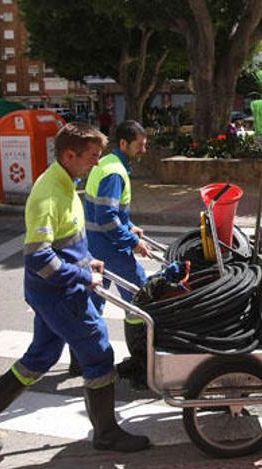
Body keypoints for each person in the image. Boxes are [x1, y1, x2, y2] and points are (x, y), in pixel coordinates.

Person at [0, 123, 150, 454]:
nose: (96, 163)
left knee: (41, 356)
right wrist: (83, 276)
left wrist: (89, 261)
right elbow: (39, 258)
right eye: (91, 157)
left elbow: (69, 240)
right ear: (69, 154)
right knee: (99, 353)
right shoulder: (48, 193)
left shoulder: (67, 183)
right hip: (60, 294)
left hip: (52, 292)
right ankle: (106, 433)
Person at [82, 120, 151, 386]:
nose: (143, 150)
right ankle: (141, 365)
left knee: (94, 302)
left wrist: (131, 227)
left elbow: (116, 213)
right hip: (109, 246)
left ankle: (84, 359)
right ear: (124, 143)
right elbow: (106, 217)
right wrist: (130, 242)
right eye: (140, 145)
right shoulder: (114, 172)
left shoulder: (111, 164)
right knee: (140, 297)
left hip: (98, 245)